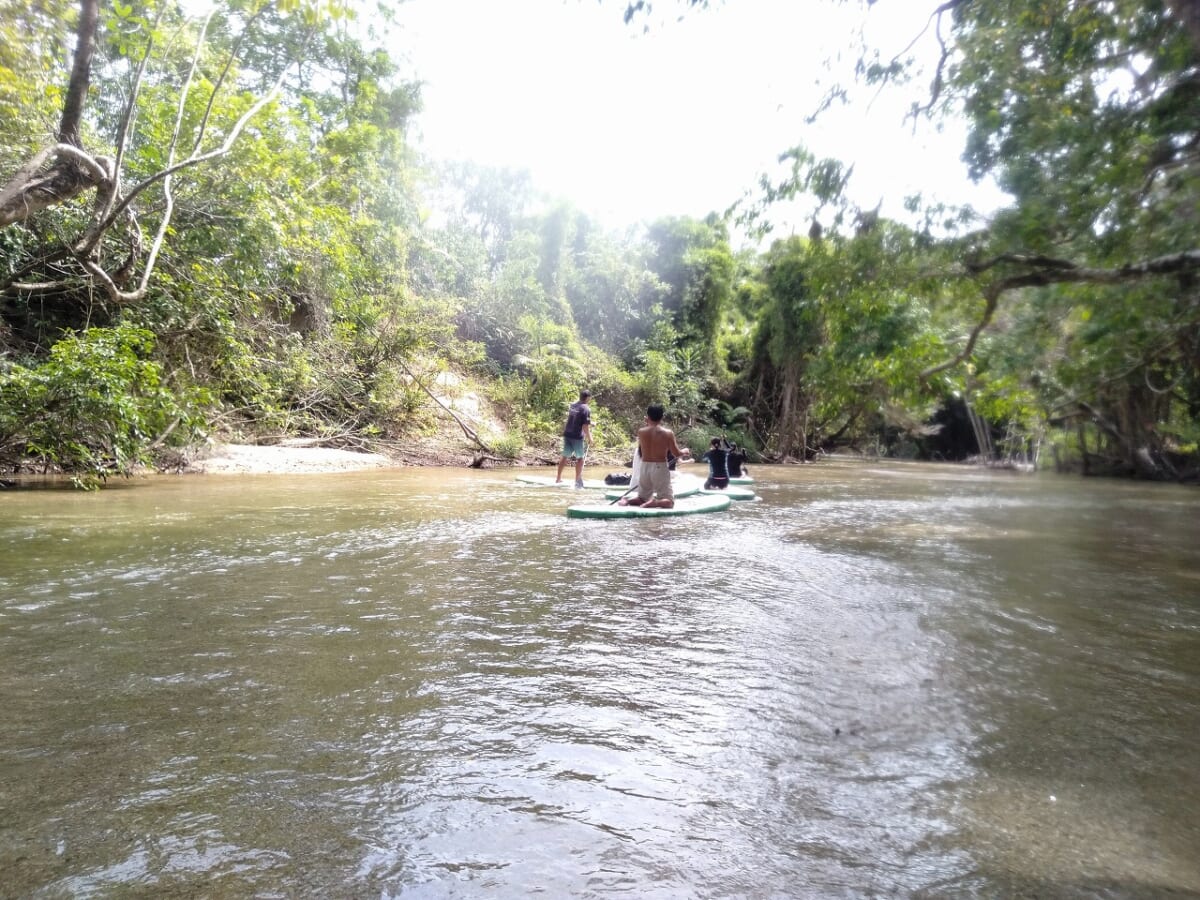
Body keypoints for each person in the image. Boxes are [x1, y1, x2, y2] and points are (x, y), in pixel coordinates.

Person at [621, 404, 691, 508]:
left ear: (647, 417)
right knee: (669, 502)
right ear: (662, 417)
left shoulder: (641, 432)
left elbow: (646, 444)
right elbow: (676, 453)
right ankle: (655, 502)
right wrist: (684, 451)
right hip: (659, 466)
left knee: (642, 498)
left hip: (644, 467)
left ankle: (626, 501)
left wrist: (647, 422)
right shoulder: (668, 433)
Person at [555, 390, 593, 488]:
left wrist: (591, 423)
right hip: (577, 437)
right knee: (580, 459)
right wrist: (590, 438)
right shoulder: (586, 409)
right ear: (588, 398)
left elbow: (577, 418)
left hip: (568, 434)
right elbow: (585, 427)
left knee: (565, 456)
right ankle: (577, 481)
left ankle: (558, 478)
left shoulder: (573, 405)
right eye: (590, 398)